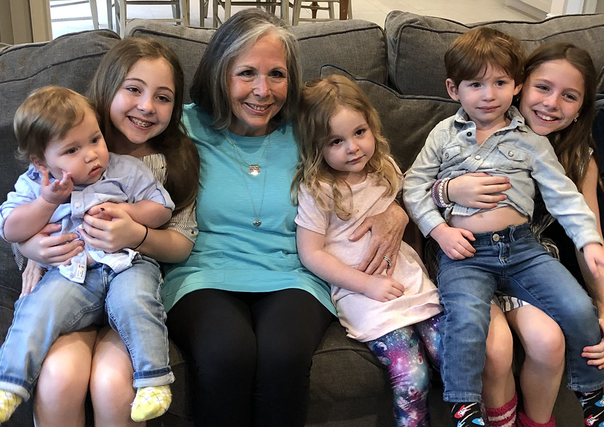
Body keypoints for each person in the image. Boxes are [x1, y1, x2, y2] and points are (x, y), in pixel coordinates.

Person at [159, 9, 406, 427]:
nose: (262, 90)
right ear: (220, 73)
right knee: (226, 353)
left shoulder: (308, 126)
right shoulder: (183, 125)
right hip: (203, 273)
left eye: (276, 74)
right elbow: (99, 160)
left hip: (294, 273)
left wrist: (395, 209)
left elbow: (375, 163)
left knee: (284, 355)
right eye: (246, 73)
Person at [402, 27, 604, 427]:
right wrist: (440, 222)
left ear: (513, 86)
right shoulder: (445, 133)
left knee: (576, 311)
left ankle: (592, 393)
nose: (489, 94)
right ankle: (465, 406)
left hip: (524, 249)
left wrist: (591, 241)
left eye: (499, 83)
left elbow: (568, 200)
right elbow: (413, 184)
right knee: (471, 324)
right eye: (476, 84)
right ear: (453, 89)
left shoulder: (537, 143)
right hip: (464, 250)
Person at [14, 38, 200, 427]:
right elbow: (22, 216)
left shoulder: (172, 162)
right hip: (70, 286)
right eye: (133, 89)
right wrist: (31, 249)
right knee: (59, 379)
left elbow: (182, 242)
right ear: (107, 88)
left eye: (163, 97)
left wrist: (135, 234)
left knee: (114, 384)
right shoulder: (59, 142)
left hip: (131, 290)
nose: (147, 106)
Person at [0, 86, 176, 424]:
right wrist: (47, 202)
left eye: (95, 140)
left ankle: (154, 381)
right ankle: (8, 385)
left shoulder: (125, 170)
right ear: (41, 161)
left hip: (127, 264)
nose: (91, 156)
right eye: (72, 150)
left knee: (136, 303)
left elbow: (162, 208)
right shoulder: (34, 186)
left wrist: (130, 214)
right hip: (72, 272)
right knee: (38, 308)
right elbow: (10, 228)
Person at [293, 74, 443, 427]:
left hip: (410, 281)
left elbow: (409, 214)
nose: (353, 148)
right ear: (316, 147)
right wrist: (366, 285)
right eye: (336, 141)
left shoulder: (386, 168)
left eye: (360, 132)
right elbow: (311, 253)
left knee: (454, 355)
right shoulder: (318, 189)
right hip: (363, 294)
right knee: (412, 377)